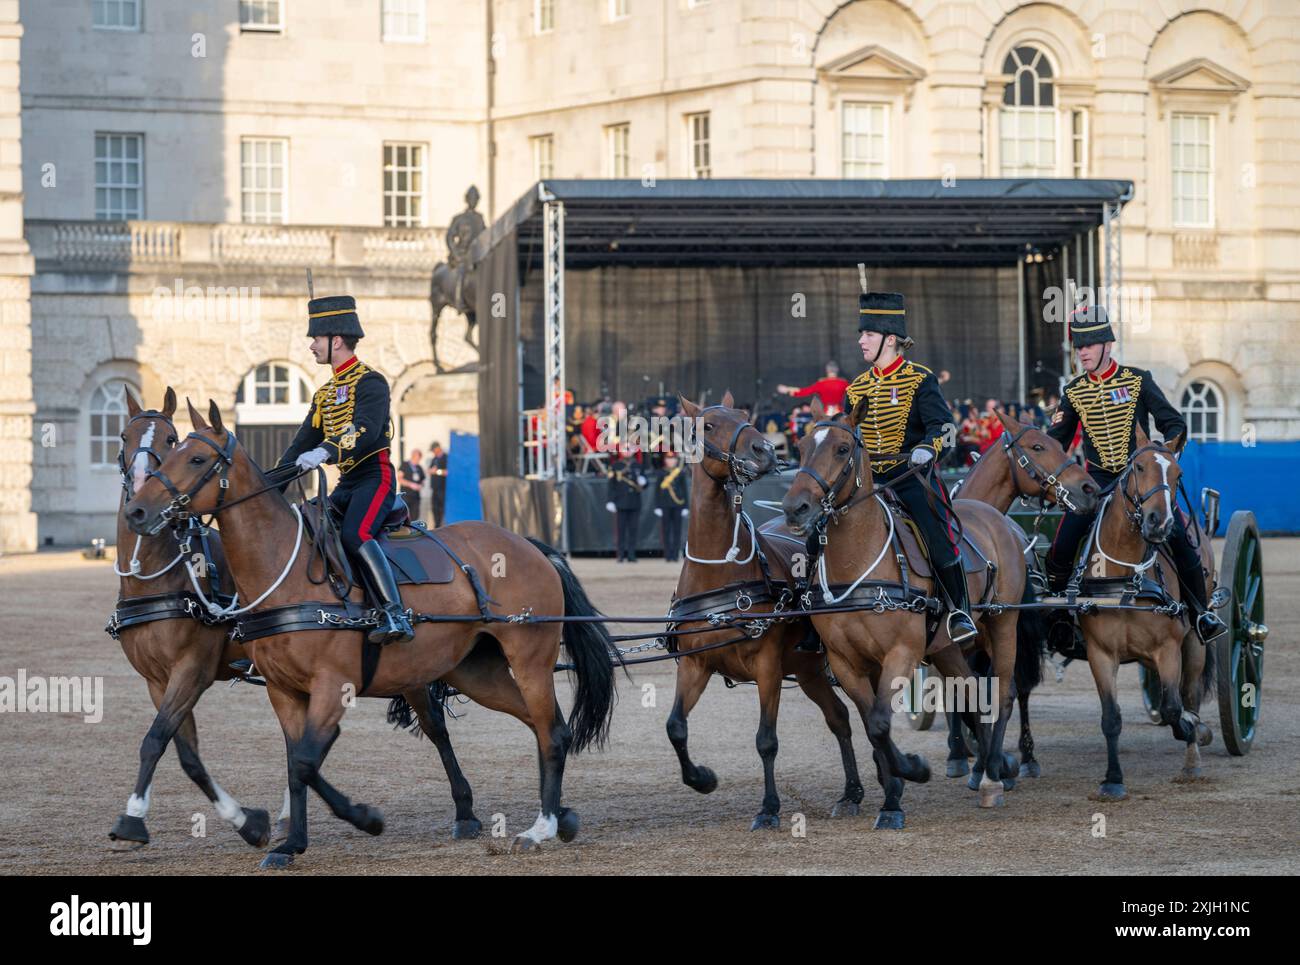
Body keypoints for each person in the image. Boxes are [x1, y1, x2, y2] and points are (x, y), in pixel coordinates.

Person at [1045, 305, 1226, 642]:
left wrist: (1159, 458)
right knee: (1063, 541)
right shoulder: (1074, 392)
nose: (1081, 351)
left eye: (1088, 344)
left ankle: (1201, 614)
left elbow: (1174, 424)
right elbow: (1056, 442)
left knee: (1180, 539)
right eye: (1078, 346)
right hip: (1097, 481)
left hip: (1142, 478)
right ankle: (1059, 615)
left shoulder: (1137, 380)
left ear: (1107, 345)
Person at [277, 293, 413, 644]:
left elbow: (365, 431)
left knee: (355, 534)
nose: (311, 346)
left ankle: (394, 613)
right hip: (346, 484)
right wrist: (268, 484)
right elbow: (299, 445)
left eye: (316, 339)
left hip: (375, 478)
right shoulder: (324, 393)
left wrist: (326, 451)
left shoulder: (371, 382)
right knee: (311, 534)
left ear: (336, 340)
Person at [842, 290, 977, 643]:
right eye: (862, 334)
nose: (861, 341)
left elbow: (945, 429)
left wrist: (926, 449)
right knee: (820, 525)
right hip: (866, 480)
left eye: (868, 334)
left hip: (908, 476)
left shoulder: (920, 379)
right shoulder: (855, 389)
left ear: (890, 340)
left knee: (936, 535)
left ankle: (959, 609)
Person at [605, 454, 646, 562]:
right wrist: (610, 500)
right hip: (620, 502)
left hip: (634, 502)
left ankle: (631, 554)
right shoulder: (616, 466)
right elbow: (611, 484)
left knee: (633, 530)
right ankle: (620, 555)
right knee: (620, 530)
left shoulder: (638, 465)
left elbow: (644, 484)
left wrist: (644, 482)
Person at [653, 452, 690, 562]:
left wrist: (686, 506)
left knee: (677, 531)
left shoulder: (680, 473)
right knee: (666, 531)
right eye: (669, 459)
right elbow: (657, 491)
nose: (671, 461)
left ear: (676, 460)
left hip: (678, 505)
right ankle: (668, 555)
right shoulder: (661, 473)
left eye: (673, 459)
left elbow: (685, 490)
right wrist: (657, 506)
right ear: (665, 460)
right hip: (665, 505)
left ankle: (675, 554)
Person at [776, 360, 850, 414]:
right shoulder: (844, 383)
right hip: (839, 412)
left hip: (825, 413)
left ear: (827, 371)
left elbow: (804, 391)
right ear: (837, 371)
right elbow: (854, 392)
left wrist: (788, 389)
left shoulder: (821, 383)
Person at [398, 449, 425, 521]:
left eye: (419, 458)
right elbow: (399, 479)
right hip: (406, 496)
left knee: (415, 516)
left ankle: (413, 531)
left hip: (416, 497)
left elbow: (423, 480)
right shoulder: (404, 464)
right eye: (417, 458)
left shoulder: (419, 467)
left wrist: (420, 486)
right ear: (413, 456)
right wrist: (411, 485)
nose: (418, 460)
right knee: (404, 517)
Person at [427, 441, 447, 528]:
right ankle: (437, 526)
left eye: (433, 450)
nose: (433, 452)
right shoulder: (434, 459)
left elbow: (448, 472)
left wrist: (437, 471)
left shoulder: (446, 458)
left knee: (442, 508)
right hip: (435, 488)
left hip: (443, 488)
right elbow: (431, 470)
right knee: (435, 508)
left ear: (438, 448)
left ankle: (443, 526)